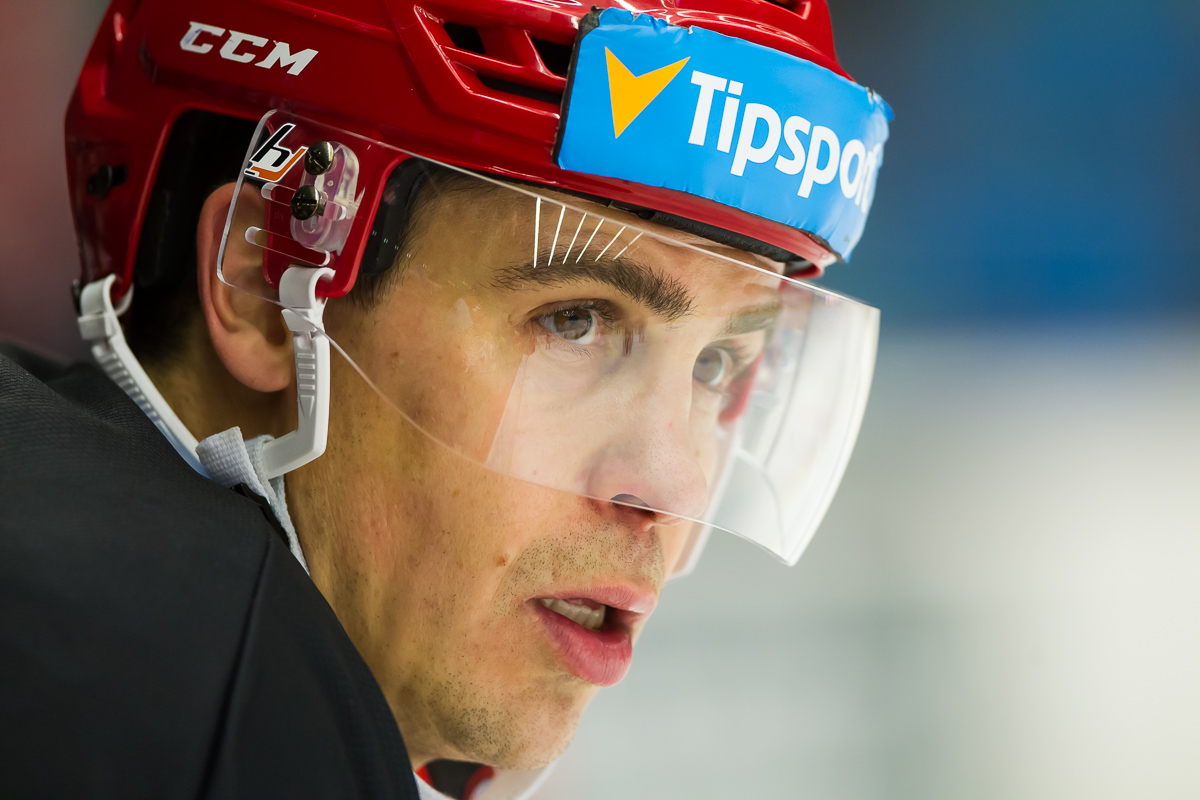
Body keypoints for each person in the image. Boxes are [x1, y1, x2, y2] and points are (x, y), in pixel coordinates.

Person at [0, 1, 890, 797]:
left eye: (717, 365)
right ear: (269, 288)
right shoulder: (173, 697)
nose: (672, 490)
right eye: (574, 321)